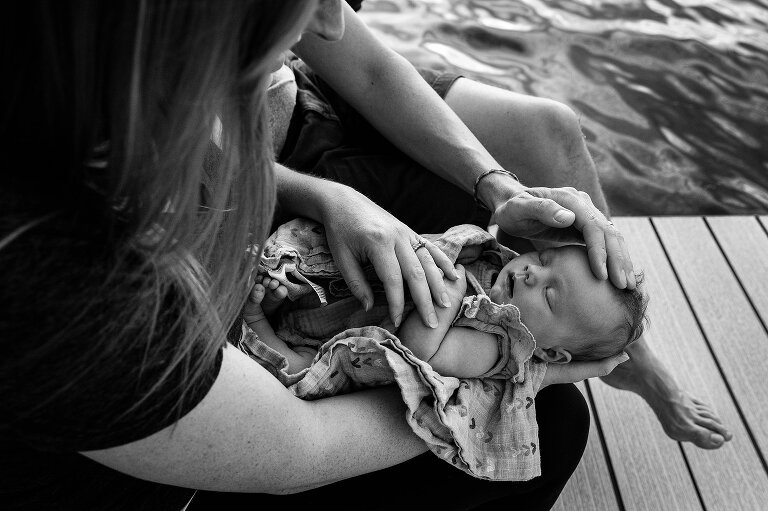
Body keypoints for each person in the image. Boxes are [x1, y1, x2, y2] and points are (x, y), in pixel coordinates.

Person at [0, 2, 725, 511]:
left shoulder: (104, 93)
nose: (332, 23)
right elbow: (296, 451)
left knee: (545, 138)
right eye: (302, 3)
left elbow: (347, 68)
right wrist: (513, 385)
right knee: (556, 429)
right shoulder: (65, 275)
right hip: (157, 452)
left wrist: (490, 189)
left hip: (215, 266)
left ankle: (621, 346)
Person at [243, 225, 648, 379]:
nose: (531, 273)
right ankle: (276, 289)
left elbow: (423, 351)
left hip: (333, 341)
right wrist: (463, 241)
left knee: (299, 369)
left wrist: (451, 293)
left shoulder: (496, 344)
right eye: (544, 259)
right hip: (346, 288)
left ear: (550, 352)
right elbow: (451, 237)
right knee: (299, 268)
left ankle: (257, 319)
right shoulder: (494, 265)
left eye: (548, 293)